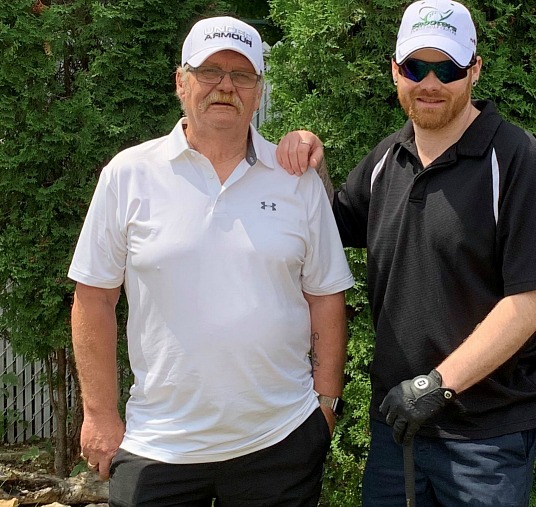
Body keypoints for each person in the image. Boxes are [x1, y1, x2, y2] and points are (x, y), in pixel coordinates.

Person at [277, 0, 536, 505]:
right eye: (415, 67)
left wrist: (437, 385)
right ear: (395, 70)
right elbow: (328, 225)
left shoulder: (516, 159)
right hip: (398, 433)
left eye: (447, 67)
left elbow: (532, 303)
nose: (429, 83)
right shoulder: (386, 159)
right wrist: (308, 155)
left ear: (474, 70)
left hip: (486, 441)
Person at [68, 15, 354, 507]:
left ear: (259, 91)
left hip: (279, 442)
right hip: (158, 446)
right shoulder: (128, 174)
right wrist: (98, 413)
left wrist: (324, 406)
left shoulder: (296, 180)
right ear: (181, 82)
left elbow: (326, 295)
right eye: (209, 72)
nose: (226, 86)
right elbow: (94, 297)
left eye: (241, 75)